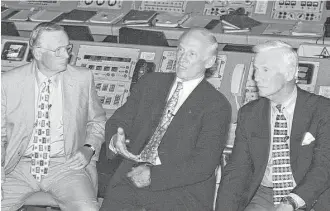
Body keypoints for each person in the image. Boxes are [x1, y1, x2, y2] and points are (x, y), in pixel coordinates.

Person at [100, 28, 232, 211]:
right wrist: (115, 139)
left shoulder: (217, 105)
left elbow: (204, 164)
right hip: (130, 178)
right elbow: (119, 120)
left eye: (192, 54)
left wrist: (154, 175)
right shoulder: (150, 83)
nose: (182, 58)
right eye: (180, 50)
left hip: (180, 190)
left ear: (209, 62)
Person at [1, 22, 106, 211]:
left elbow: (97, 122)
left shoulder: (82, 78)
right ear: (38, 53)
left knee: (88, 209)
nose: (67, 55)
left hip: (65, 165)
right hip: (17, 166)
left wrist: (89, 147)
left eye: (68, 48)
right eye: (58, 50)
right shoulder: (8, 83)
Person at [216, 41, 330, 211]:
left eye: (265, 70)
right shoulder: (250, 114)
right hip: (265, 195)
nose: (256, 77)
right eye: (255, 69)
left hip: (309, 196)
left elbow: (324, 167)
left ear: (289, 73)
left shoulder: (322, 110)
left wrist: (291, 202)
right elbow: (237, 171)